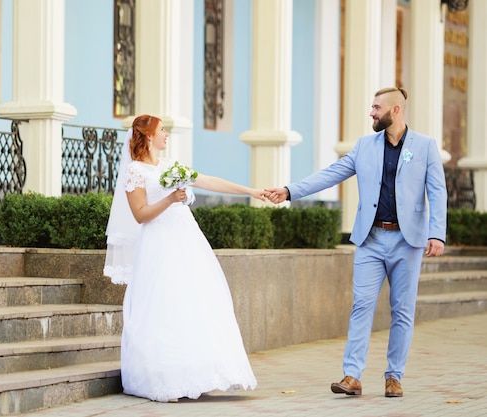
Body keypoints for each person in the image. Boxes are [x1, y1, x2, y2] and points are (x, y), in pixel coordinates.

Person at [266, 87, 447, 398]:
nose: (371, 113)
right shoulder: (365, 146)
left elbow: (438, 192)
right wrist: (289, 190)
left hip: (409, 243)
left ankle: (394, 376)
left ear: (395, 110)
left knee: (402, 310)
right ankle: (352, 375)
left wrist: (437, 233)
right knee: (361, 306)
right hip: (371, 239)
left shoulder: (425, 147)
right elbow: (332, 173)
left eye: (377, 108)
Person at [104, 114, 263, 402]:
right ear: (149, 136)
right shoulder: (135, 172)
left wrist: (250, 191)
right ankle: (165, 378)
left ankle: (197, 375)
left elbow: (209, 181)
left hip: (187, 241)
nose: (167, 135)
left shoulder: (169, 167)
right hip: (158, 244)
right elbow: (140, 215)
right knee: (164, 303)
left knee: (196, 300)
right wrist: (169, 199)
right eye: (163, 130)